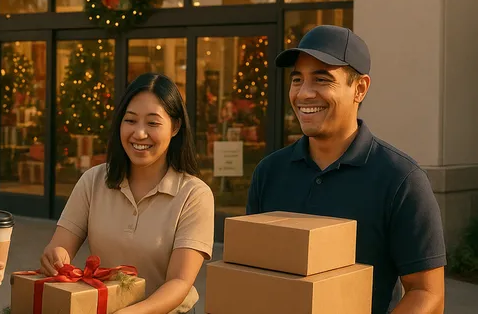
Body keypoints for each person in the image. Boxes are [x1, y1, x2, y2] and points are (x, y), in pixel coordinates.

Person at [246, 25, 446, 314]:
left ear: (360, 89)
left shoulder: (401, 179)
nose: (304, 93)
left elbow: (427, 292)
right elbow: (251, 270)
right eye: (297, 79)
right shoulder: (269, 172)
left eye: (321, 79)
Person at [40, 73, 214, 314]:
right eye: (130, 120)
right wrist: (56, 256)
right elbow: (60, 246)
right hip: (103, 308)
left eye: (152, 123)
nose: (139, 133)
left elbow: (179, 281)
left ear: (175, 127)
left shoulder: (194, 195)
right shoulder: (93, 180)